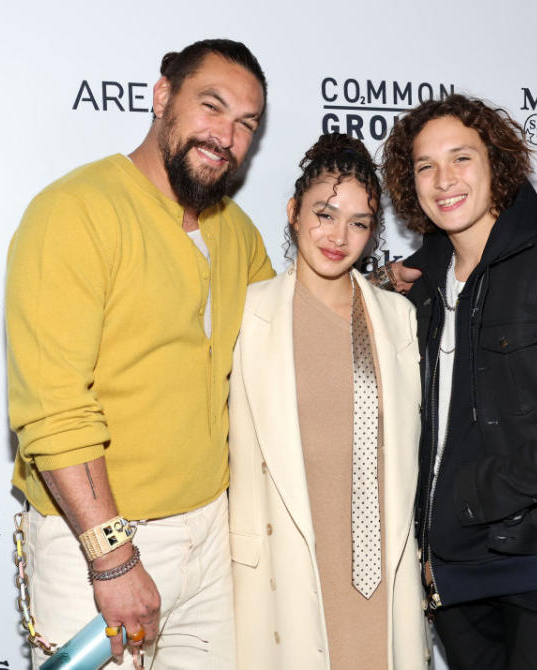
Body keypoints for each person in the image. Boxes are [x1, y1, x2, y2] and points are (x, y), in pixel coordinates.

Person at [5, 39, 273, 669]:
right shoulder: (74, 212)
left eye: (246, 124)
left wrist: (377, 293)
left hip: (212, 538)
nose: (227, 135)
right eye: (212, 107)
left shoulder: (235, 229)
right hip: (98, 546)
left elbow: (286, 324)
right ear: (162, 98)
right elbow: (54, 408)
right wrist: (113, 556)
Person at [381, 94, 537, 670]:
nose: (443, 180)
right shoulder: (418, 289)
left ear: (497, 164)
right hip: (451, 570)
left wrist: (480, 493)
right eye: (425, 166)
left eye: (461, 159)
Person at [227, 133, 429, 669]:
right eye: (324, 213)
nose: (339, 236)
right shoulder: (247, 315)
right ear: (294, 212)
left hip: (383, 566)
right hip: (283, 569)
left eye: (359, 223)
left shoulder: (397, 319)